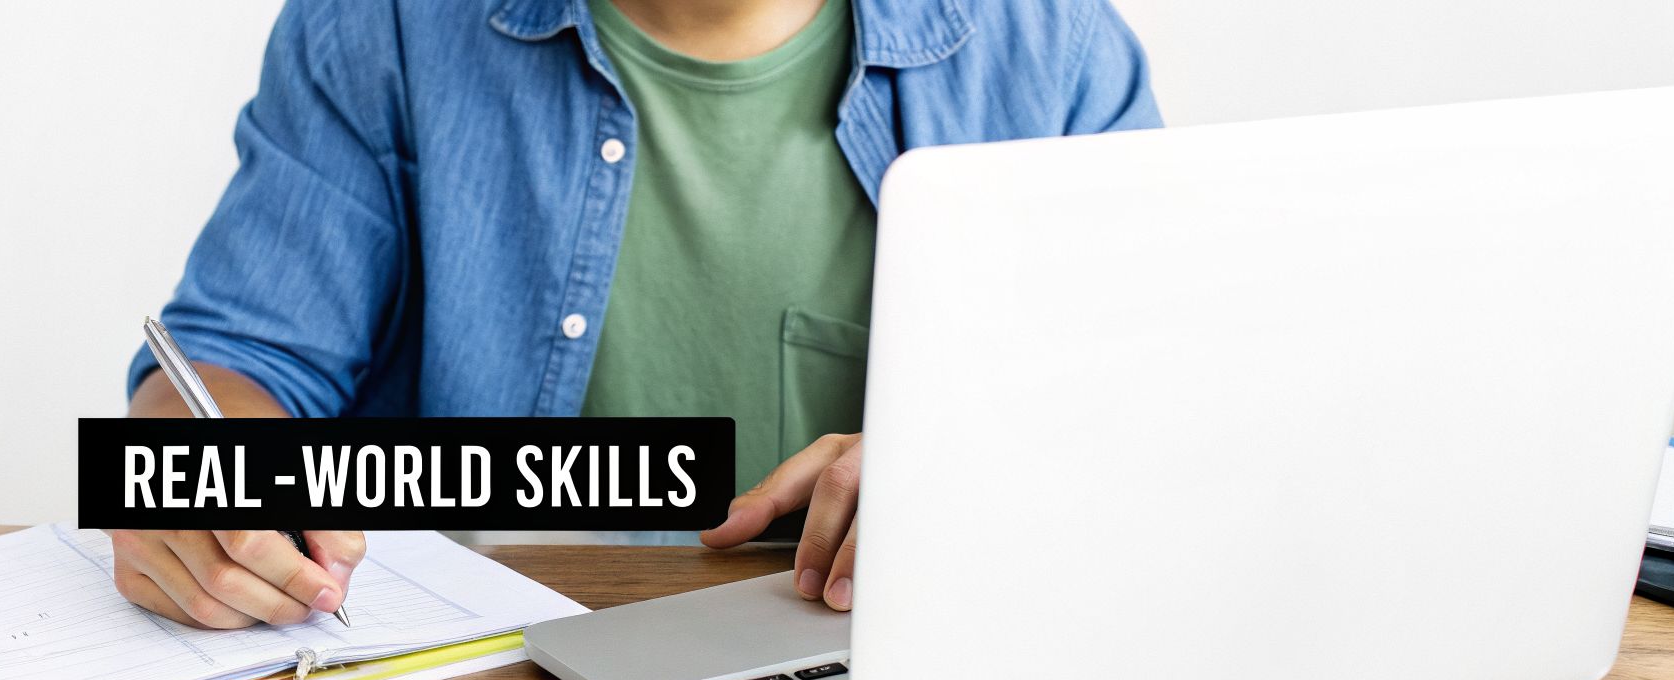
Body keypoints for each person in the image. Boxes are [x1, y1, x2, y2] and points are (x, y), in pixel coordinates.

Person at [117, 0, 1160, 628]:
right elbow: (231, 358)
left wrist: (959, 463)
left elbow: (1144, 404)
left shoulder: (1051, 46)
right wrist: (194, 477)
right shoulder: (383, 25)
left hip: (890, 669)